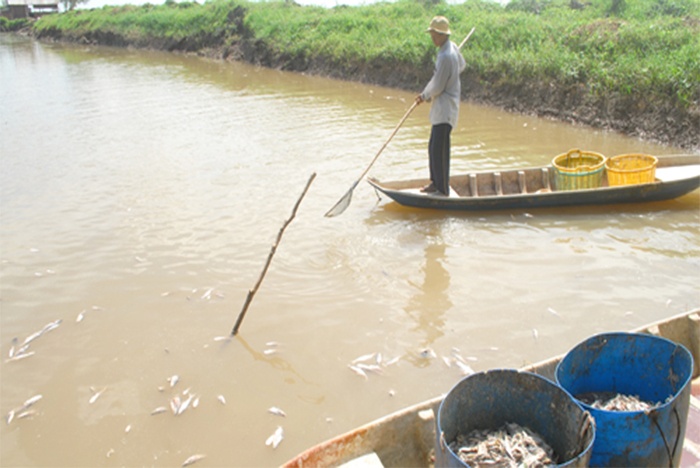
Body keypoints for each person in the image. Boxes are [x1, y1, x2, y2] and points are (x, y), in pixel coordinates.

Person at [415, 16, 466, 196]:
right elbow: (462, 65)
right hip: (441, 108)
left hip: (446, 109)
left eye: (434, 34)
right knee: (433, 147)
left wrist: (424, 95)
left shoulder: (446, 55)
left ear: (441, 35)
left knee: (440, 150)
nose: (432, 37)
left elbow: (437, 85)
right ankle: (434, 183)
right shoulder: (450, 49)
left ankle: (442, 189)